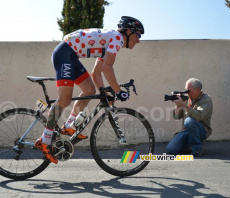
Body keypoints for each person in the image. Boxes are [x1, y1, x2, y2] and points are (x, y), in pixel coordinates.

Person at [35, 16, 145, 164]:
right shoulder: (117, 38)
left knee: (89, 90)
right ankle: (45, 139)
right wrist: (119, 91)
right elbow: (108, 68)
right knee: (65, 99)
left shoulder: (110, 41)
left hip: (71, 55)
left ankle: (68, 126)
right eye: (137, 35)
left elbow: (97, 73)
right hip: (64, 54)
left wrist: (104, 93)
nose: (138, 40)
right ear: (129, 31)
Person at [166, 78, 213, 157]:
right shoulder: (186, 98)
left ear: (197, 90)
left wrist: (184, 105)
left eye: (188, 91)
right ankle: (189, 145)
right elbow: (176, 117)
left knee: (189, 121)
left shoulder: (206, 99)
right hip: (185, 130)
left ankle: (197, 149)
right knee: (171, 150)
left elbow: (198, 116)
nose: (186, 93)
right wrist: (178, 106)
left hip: (201, 130)